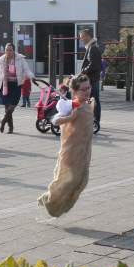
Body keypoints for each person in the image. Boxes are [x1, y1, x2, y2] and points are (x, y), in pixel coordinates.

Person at [38, 74, 95, 217]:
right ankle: (50, 200)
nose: (87, 91)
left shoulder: (89, 103)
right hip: (71, 151)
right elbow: (55, 121)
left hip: (84, 151)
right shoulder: (71, 105)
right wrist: (70, 117)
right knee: (69, 181)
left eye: (88, 87)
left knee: (82, 181)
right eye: (83, 89)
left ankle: (54, 201)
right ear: (75, 92)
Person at [0, 43, 33, 134]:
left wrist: (31, 76)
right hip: (5, 85)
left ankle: (3, 120)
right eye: (7, 50)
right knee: (7, 108)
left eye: (10, 50)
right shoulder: (1, 60)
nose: (8, 51)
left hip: (16, 85)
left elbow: (26, 69)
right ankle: (10, 128)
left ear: (13, 50)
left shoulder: (20, 59)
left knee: (12, 106)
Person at [78, 29, 102, 134]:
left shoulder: (93, 48)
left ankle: (96, 121)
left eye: (82, 36)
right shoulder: (91, 47)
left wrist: (83, 71)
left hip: (92, 79)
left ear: (88, 36)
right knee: (91, 100)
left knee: (94, 100)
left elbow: (94, 64)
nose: (81, 39)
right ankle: (92, 120)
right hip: (91, 79)